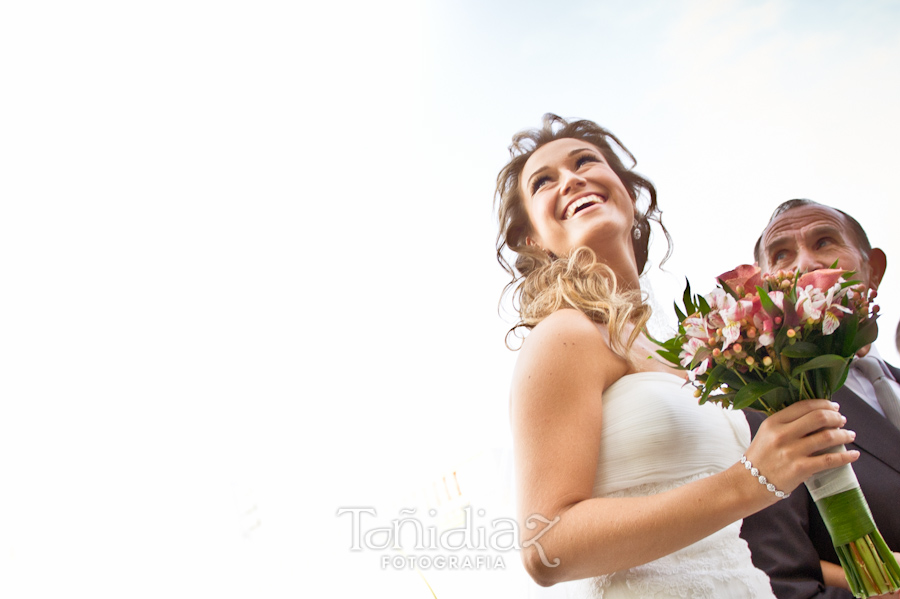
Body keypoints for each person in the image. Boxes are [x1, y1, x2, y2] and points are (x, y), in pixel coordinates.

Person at [496, 115, 859, 598]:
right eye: (544, 181)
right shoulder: (566, 333)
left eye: (585, 162)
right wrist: (752, 481)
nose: (572, 178)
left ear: (626, 193)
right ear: (532, 239)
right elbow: (545, 547)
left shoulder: (675, 352)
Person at [740, 199, 900, 599]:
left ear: (873, 269)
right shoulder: (767, 411)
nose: (804, 265)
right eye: (782, 255)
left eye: (825, 242)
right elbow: (788, 584)